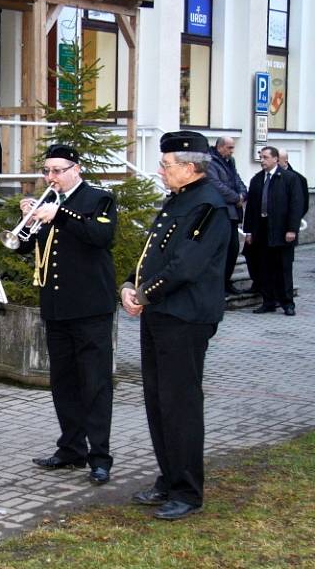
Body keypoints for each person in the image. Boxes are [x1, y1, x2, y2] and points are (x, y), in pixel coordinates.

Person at [121, 130, 231, 521]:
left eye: (166, 165)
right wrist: (130, 286)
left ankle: (187, 491)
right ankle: (169, 478)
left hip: (185, 317)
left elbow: (185, 266)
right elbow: (154, 253)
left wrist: (144, 294)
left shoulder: (208, 207)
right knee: (157, 400)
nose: (161, 170)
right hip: (161, 314)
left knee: (180, 404)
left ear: (189, 167)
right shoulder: (180, 200)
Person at [16, 144, 117, 486]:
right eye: (47, 171)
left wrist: (57, 215)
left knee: (95, 383)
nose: (51, 177)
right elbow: (22, 245)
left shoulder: (98, 199)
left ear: (77, 169)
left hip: (90, 308)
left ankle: (99, 457)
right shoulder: (49, 203)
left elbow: (100, 235)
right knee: (64, 383)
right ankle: (71, 447)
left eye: (58, 170)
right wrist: (28, 218)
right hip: (57, 308)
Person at [243, 146, 304, 316]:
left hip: (281, 230)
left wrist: (292, 229)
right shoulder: (256, 179)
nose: (262, 160)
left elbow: (295, 205)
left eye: (265, 157)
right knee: (264, 267)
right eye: (261, 157)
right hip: (261, 229)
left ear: (276, 159)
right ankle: (268, 301)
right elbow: (251, 208)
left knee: (283, 268)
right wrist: (248, 231)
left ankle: (287, 303)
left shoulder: (289, 178)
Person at [206, 137, 247, 294]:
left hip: (233, 214)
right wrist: (236, 198)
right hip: (220, 212)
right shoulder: (210, 162)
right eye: (229, 147)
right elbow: (216, 185)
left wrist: (243, 194)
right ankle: (218, 285)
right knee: (222, 250)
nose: (232, 151)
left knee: (233, 248)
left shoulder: (230, 161)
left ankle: (226, 282)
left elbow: (237, 179)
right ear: (220, 147)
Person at [278, 148, 309, 220]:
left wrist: (293, 222)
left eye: (278, 161)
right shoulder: (268, 176)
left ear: (285, 162)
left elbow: (303, 205)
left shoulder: (299, 179)